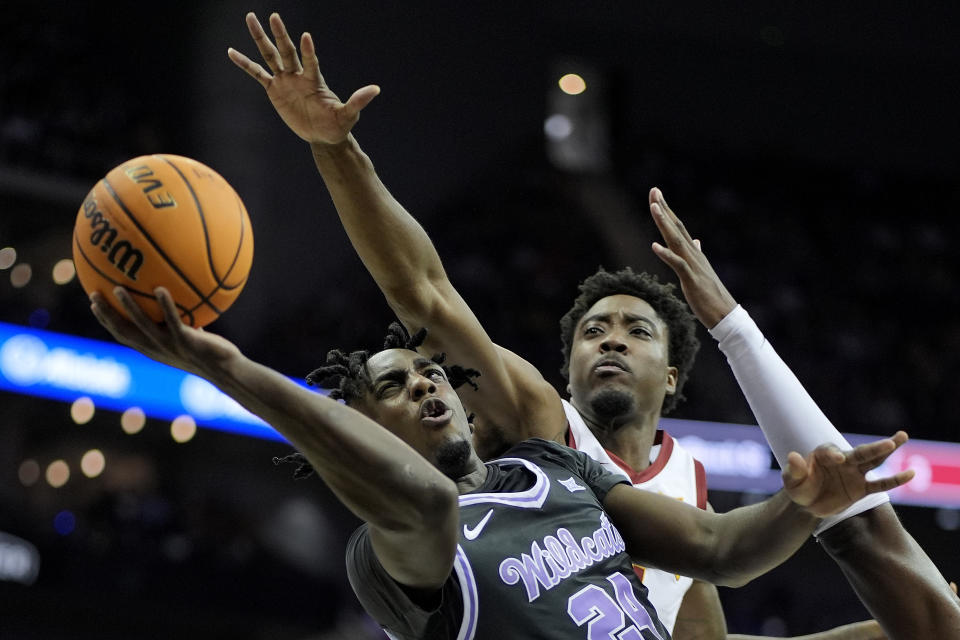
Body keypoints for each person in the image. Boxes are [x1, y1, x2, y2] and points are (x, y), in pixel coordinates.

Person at [226, 12, 960, 639]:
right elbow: (422, 292)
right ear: (566, 365)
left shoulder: (686, 492)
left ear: (673, 376)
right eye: (593, 330)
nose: (610, 338)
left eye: (636, 332)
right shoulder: (537, 429)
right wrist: (334, 146)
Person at [89, 284, 908, 640]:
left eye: (429, 372)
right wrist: (232, 371)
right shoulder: (392, 553)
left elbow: (722, 552)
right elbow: (420, 503)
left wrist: (804, 505)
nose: (426, 384)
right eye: (394, 389)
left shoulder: (554, 469)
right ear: (359, 428)